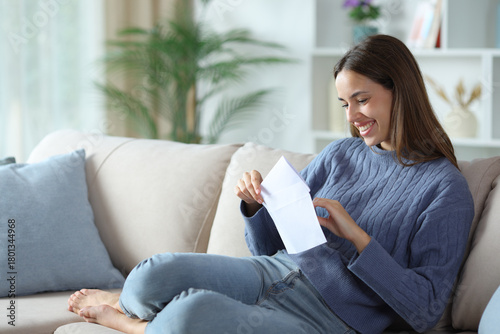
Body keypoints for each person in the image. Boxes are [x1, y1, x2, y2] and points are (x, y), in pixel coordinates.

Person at [67, 34, 474, 334]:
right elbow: (268, 248)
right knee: (152, 275)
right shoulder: (340, 154)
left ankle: (130, 324)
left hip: (329, 319)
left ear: (399, 92)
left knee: (193, 315)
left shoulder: (445, 190)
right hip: (270, 271)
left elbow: (424, 310)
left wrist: (357, 237)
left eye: (362, 100)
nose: (352, 117)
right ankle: (127, 300)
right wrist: (257, 206)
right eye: (345, 104)